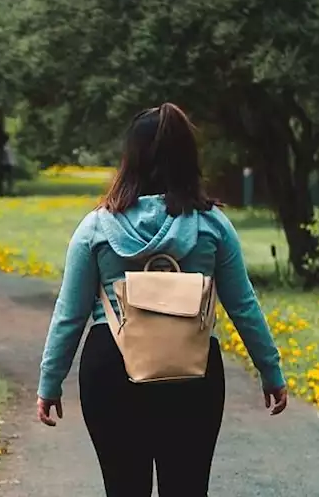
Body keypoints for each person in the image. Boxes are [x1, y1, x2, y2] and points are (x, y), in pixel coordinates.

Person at [35, 102, 288, 496]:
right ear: (188, 158)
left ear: (130, 158)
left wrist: (50, 383)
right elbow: (243, 306)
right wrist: (270, 372)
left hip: (110, 368)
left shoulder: (96, 227)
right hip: (192, 371)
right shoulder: (212, 226)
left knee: (123, 488)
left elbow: (70, 314)